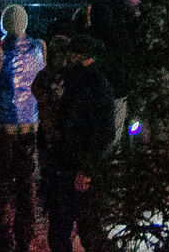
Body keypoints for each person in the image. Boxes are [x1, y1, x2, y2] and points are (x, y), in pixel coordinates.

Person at [40, 40, 112, 252]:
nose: (69, 58)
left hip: (80, 169)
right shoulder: (71, 82)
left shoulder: (95, 86)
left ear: (86, 58)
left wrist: (87, 170)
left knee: (89, 230)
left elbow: (102, 133)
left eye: (74, 54)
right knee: (61, 232)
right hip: (64, 166)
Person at [0, 6, 42, 252]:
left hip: (3, 125)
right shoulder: (40, 46)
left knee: (1, 184)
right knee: (27, 181)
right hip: (31, 124)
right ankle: (25, 237)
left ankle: (3, 238)